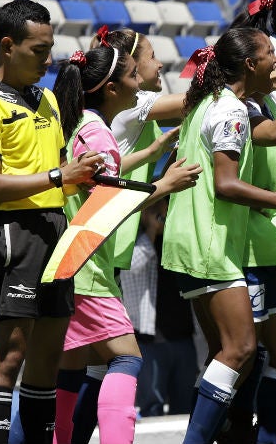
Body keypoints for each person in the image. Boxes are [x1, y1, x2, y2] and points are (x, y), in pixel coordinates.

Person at [160, 28, 276, 444]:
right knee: (241, 350)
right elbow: (226, 184)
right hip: (209, 244)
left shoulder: (211, 103)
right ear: (250, 64)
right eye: (270, 55)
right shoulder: (229, 111)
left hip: (205, 240)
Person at [0, 0, 102, 444]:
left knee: (47, 355)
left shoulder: (49, 100)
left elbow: (60, 177)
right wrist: (62, 175)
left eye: (51, 48)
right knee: (11, 352)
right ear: (7, 46)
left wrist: (90, 182)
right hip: (12, 233)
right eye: (39, 50)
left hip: (56, 231)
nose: (49, 59)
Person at [50, 45, 202, 444]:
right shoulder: (98, 131)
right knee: (127, 357)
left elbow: (97, 186)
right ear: (113, 88)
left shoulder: (75, 123)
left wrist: (150, 153)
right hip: (87, 271)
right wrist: (164, 185)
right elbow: (106, 207)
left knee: (66, 373)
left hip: (63, 264)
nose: (141, 84)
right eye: (134, 76)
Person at [122, 197, 199, 417]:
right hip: (149, 339)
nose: (161, 214)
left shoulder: (179, 240)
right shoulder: (136, 240)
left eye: (164, 208)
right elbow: (133, 266)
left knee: (185, 406)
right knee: (151, 405)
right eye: (154, 208)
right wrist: (151, 230)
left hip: (183, 337)